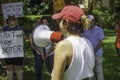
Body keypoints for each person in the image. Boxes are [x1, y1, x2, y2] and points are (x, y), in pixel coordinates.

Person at [51, 5, 95, 80]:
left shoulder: (63, 46)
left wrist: (59, 49)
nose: (59, 23)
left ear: (66, 22)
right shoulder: (88, 42)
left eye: (60, 20)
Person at [2, 14, 24, 80]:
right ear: (8, 21)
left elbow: (23, 39)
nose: (11, 21)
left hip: (18, 52)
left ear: (15, 20)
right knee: (9, 68)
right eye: (10, 19)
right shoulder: (4, 29)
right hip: (8, 53)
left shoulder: (20, 28)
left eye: (13, 19)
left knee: (18, 68)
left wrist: (23, 35)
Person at [84, 15, 105, 80]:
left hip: (98, 54)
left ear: (93, 21)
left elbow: (101, 42)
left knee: (99, 70)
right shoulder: (85, 31)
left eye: (90, 21)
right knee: (90, 71)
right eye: (87, 21)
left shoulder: (99, 30)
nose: (88, 23)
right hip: (89, 54)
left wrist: (94, 50)